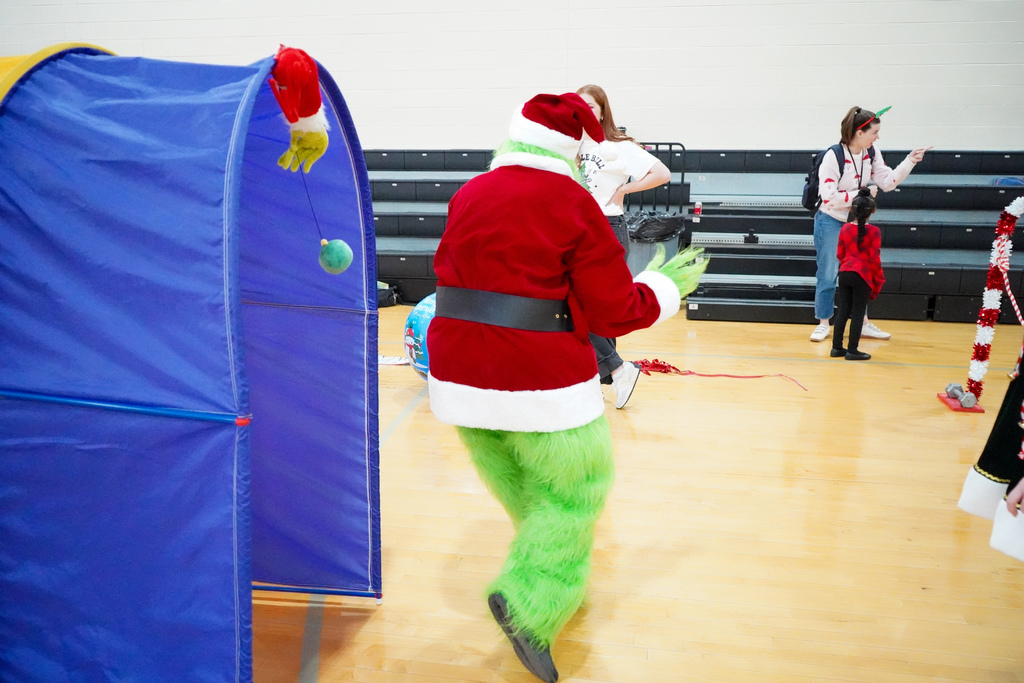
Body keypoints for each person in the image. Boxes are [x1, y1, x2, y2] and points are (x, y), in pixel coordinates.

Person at [426, 93, 706, 682]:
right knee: (575, 493)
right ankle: (531, 603)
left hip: (458, 377)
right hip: (539, 379)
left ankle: (549, 574)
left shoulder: (470, 192)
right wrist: (662, 287)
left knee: (526, 488)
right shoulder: (573, 203)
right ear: (575, 151)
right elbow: (615, 309)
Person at [575, 84, 672, 409]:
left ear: (603, 110)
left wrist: (625, 190)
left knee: (589, 305)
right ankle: (609, 377)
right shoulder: (571, 145)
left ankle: (615, 370)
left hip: (607, 227)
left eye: (592, 105)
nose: (585, 110)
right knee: (592, 307)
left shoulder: (616, 144)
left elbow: (662, 173)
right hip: (577, 229)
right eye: (580, 105)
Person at [810, 106, 931, 343]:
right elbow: (829, 197)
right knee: (828, 273)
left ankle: (862, 322)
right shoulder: (833, 156)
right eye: (874, 132)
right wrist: (861, 193)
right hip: (831, 221)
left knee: (860, 273)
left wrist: (909, 161)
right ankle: (823, 322)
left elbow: (887, 182)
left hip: (857, 223)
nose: (878, 137)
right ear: (859, 132)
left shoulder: (871, 152)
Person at [831, 189, 884, 361]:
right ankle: (852, 350)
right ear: (872, 212)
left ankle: (836, 347)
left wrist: (847, 263)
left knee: (843, 311)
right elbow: (874, 258)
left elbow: (840, 253)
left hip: (845, 272)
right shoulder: (874, 231)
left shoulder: (845, 228)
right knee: (858, 312)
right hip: (862, 274)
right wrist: (878, 277)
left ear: (852, 210)